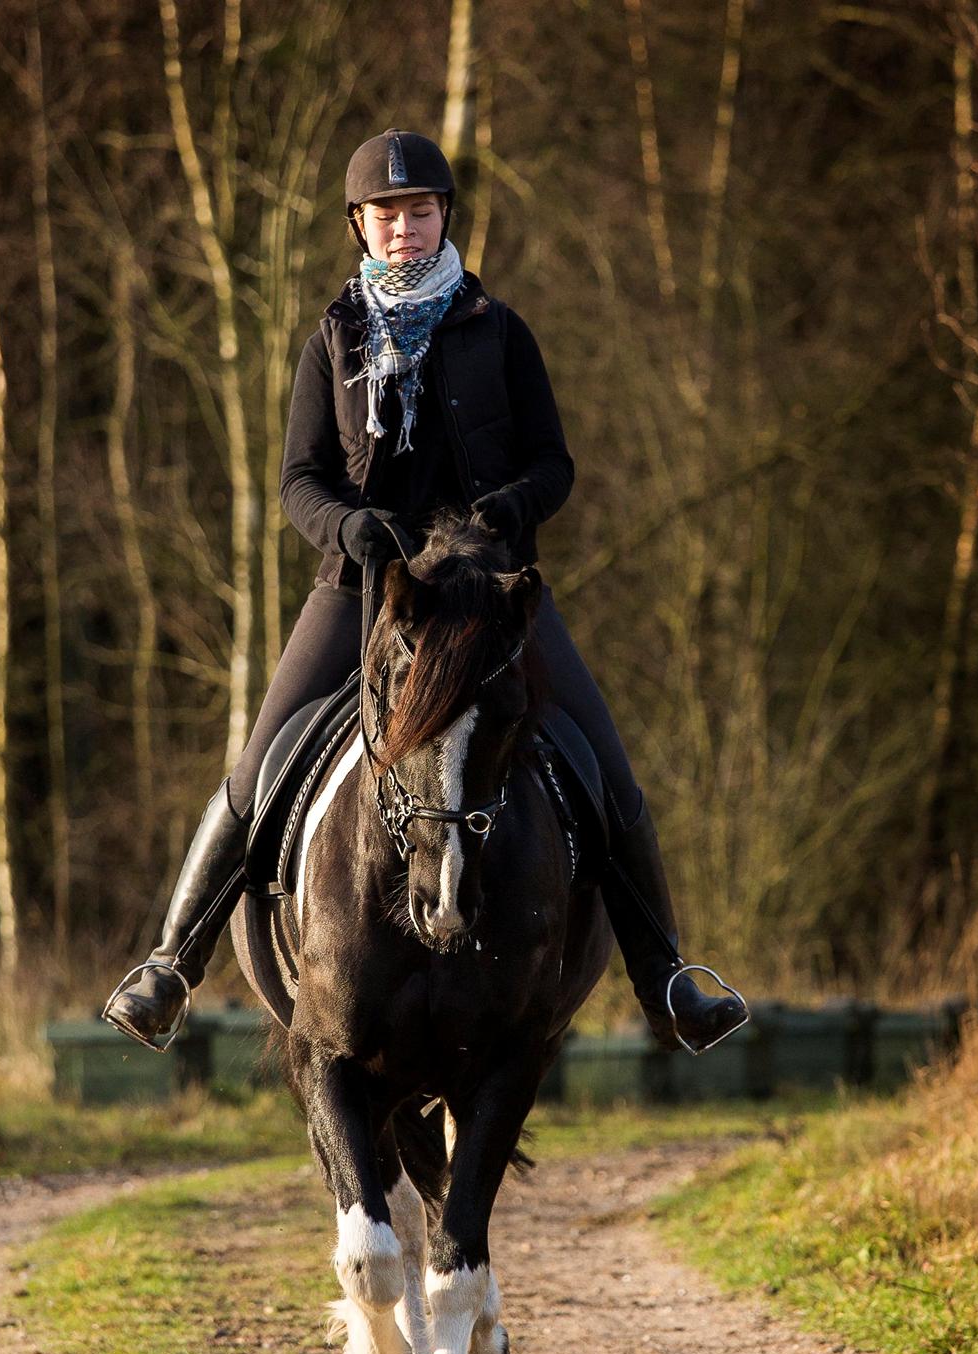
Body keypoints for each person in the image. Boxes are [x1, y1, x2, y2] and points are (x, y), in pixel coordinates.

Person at [103, 128, 748, 1055]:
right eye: (385, 214)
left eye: (419, 210)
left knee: (606, 769)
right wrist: (348, 527)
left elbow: (554, 464)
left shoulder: (501, 330)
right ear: (359, 227)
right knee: (259, 771)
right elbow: (299, 480)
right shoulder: (333, 339)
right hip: (361, 590)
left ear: (444, 216)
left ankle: (671, 980)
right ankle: (170, 967)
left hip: (490, 598)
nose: (403, 227)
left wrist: (512, 507)